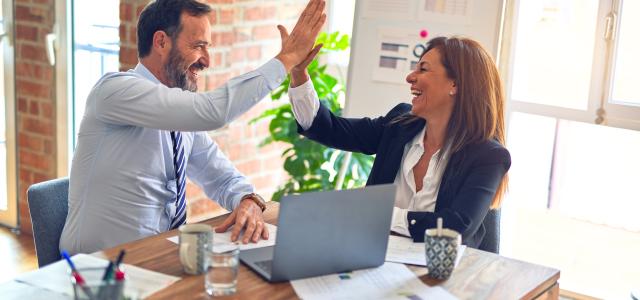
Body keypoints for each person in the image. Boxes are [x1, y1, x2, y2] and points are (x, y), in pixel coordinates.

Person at [60, 0, 326, 254]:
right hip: (97, 269)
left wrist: (247, 200)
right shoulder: (114, 91)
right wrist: (287, 58)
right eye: (199, 46)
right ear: (161, 41)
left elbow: (221, 177)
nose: (207, 61)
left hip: (157, 259)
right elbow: (213, 112)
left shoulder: (180, 118)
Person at [287, 36, 511, 248]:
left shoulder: (488, 156)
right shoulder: (400, 125)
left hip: (443, 277)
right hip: (373, 259)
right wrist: (298, 74)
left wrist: (379, 214)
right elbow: (330, 129)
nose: (410, 77)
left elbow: (455, 228)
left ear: (455, 84)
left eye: (423, 69)